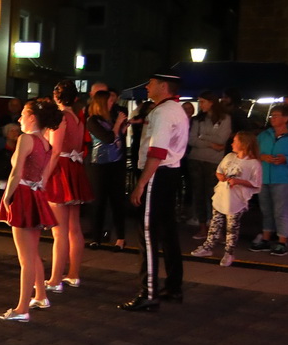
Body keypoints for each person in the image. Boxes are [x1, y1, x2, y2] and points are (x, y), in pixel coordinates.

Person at [122, 71, 188, 311]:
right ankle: (173, 286)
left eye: (150, 84)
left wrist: (141, 184)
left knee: (148, 234)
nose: (147, 87)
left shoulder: (162, 112)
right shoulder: (176, 110)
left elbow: (157, 152)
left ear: (163, 86)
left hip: (158, 174)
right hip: (170, 172)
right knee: (168, 231)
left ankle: (148, 292)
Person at [0, 99, 59, 323]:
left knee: (26, 258)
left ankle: (22, 308)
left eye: (23, 114)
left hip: (23, 195)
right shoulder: (45, 141)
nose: (19, 119)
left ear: (33, 118)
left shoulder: (26, 139)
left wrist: (6, 198)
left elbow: (16, 173)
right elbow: (42, 176)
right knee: (32, 252)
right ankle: (40, 296)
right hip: (35, 194)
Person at [43, 79, 93, 292]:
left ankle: (55, 279)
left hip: (60, 168)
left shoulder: (61, 117)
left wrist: (43, 177)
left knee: (59, 230)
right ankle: (73, 273)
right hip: (74, 167)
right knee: (74, 227)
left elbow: (54, 151)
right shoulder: (79, 118)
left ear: (56, 96)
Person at [193, 131, 264, 267]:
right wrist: (221, 177)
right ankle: (208, 247)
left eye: (235, 141)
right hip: (222, 194)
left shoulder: (254, 164)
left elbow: (256, 183)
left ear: (244, 144)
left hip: (236, 198)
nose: (232, 144)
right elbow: (219, 171)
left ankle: (229, 252)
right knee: (215, 223)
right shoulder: (229, 156)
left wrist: (238, 182)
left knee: (232, 227)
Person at [249, 103, 288, 255]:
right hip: (263, 177)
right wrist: (262, 157)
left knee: (281, 210)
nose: (272, 118)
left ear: (287, 118)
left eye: (276, 116)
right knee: (266, 209)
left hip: (283, 178)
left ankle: (282, 241)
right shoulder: (264, 135)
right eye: (272, 115)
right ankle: (266, 238)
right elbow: (252, 152)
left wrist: (286, 159)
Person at [85, 89, 129, 251]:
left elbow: (117, 138)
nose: (113, 104)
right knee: (98, 202)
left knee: (117, 201)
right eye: (110, 101)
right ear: (102, 103)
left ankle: (120, 238)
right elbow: (108, 138)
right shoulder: (93, 121)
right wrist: (118, 125)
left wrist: (122, 129)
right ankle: (96, 238)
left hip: (116, 164)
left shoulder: (110, 119)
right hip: (99, 165)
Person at [186, 93, 233, 226]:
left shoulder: (225, 118)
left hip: (214, 161)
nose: (200, 105)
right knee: (198, 193)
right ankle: (202, 225)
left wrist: (203, 137)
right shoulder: (197, 120)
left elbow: (222, 139)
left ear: (211, 102)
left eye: (202, 102)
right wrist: (211, 143)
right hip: (196, 159)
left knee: (213, 194)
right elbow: (192, 140)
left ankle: (215, 225)